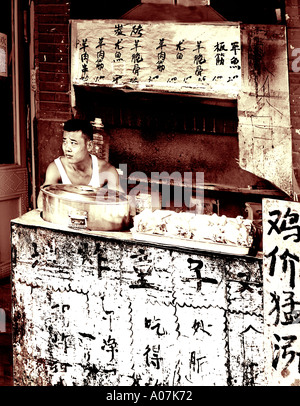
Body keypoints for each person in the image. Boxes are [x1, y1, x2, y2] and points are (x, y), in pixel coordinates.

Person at [37, 118, 121, 209]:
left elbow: (120, 202)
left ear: (89, 146)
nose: (67, 149)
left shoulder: (106, 170)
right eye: (65, 141)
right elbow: (42, 203)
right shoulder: (56, 168)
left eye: (73, 143)